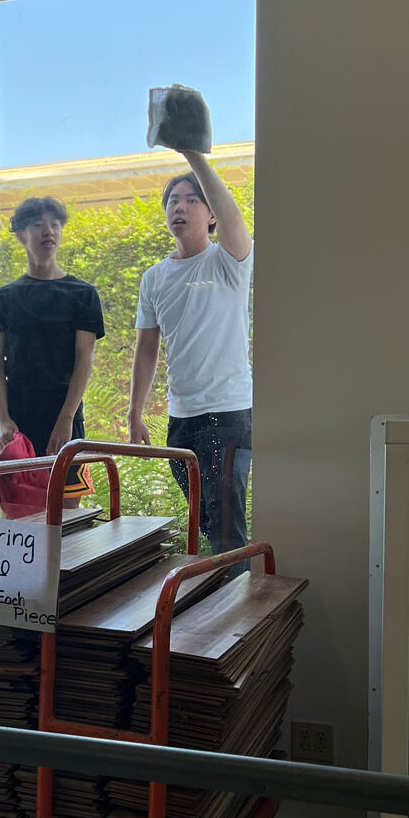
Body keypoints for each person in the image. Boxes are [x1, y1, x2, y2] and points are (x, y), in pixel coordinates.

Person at [128, 151, 254, 557]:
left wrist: (192, 154)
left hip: (228, 414)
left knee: (226, 528)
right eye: (172, 200)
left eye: (191, 199)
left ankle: (235, 595)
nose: (179, 207)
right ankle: (221, 588)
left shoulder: (229, 261)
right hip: (181, 419)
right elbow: (147, 349)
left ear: (211, 214)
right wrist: (134, 411)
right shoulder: (154, 278)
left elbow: (234, 217)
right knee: (207, 521)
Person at [0, 196, 105, 507]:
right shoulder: (4, 297)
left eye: (55, 225)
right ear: (21, 235)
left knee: (66, 515)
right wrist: (2, 418)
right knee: (20, 514)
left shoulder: (83, 294)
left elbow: (84, 360)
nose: (49, 232)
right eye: (38, 225)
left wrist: (66, 418)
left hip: (65, 419)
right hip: (18, 423)